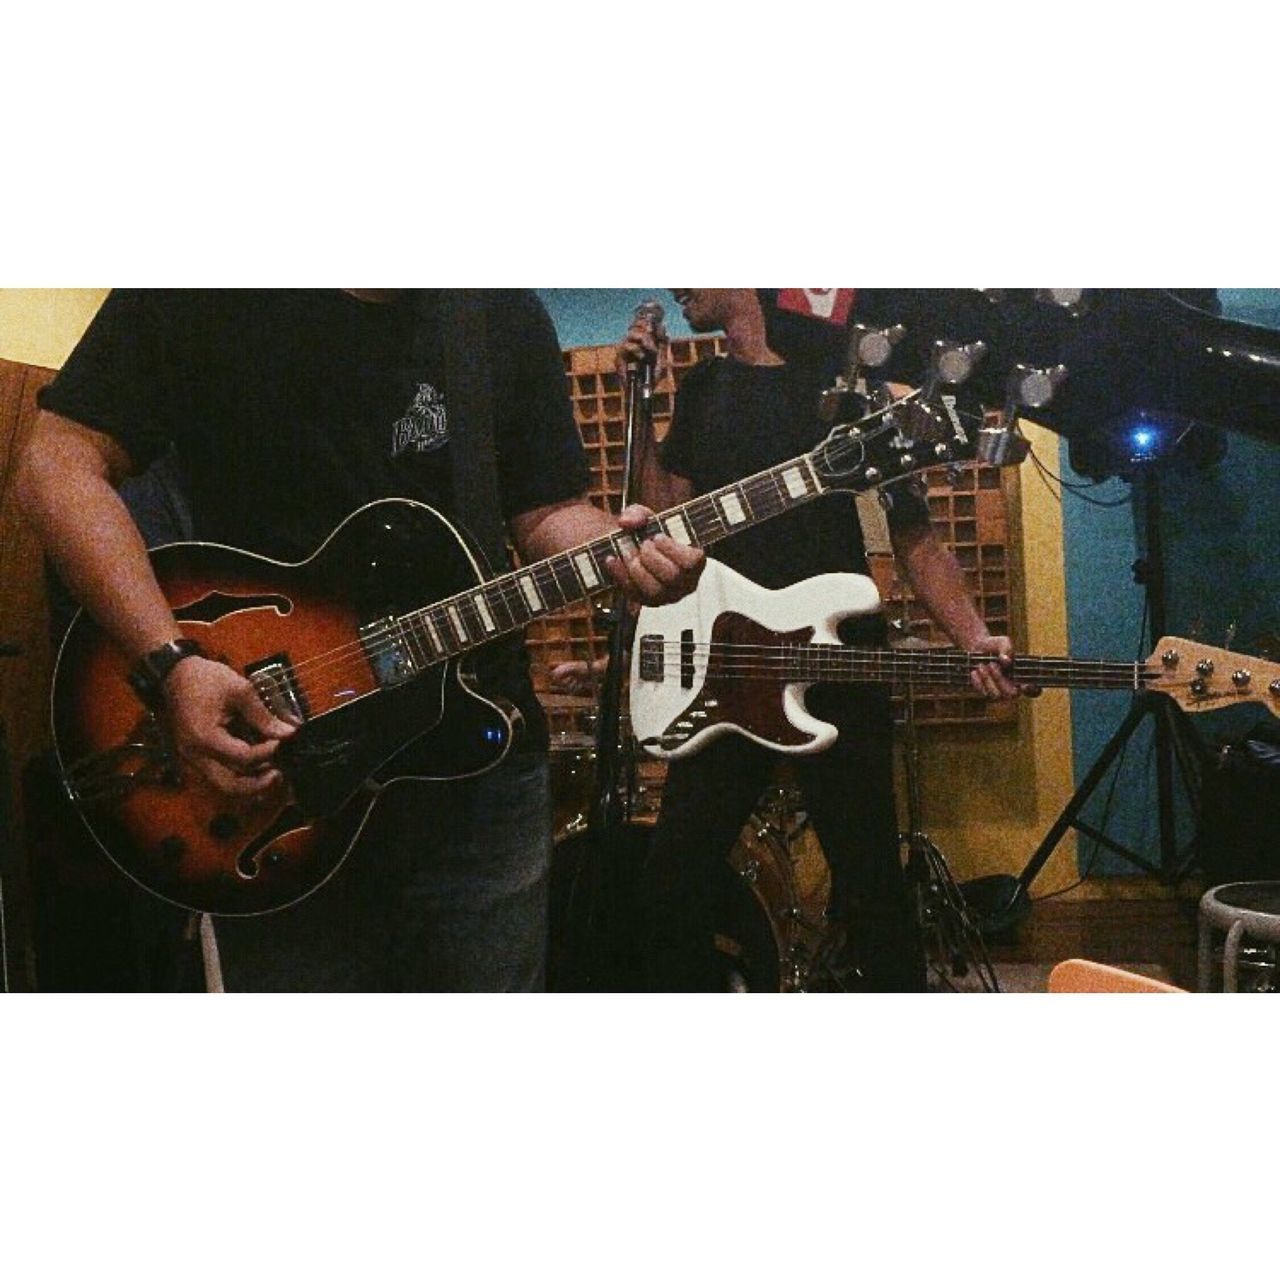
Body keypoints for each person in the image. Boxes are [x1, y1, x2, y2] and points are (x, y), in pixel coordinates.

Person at [15, 288, 704, 992]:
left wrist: (619, 553)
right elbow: (56, 464)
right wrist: (169, 661)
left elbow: (547, 511)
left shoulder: (497, 311)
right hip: (278, 774)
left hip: (476, 775)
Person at [555, 288, 1028, 992]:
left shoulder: (842, 382)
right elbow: (667, 520)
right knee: (672, 882)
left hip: (834, 659)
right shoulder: (703, 385)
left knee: (871, 886)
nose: (677, 283)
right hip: (727, 666)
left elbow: (915, 537)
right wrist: (642, 404)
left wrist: (974, 638)